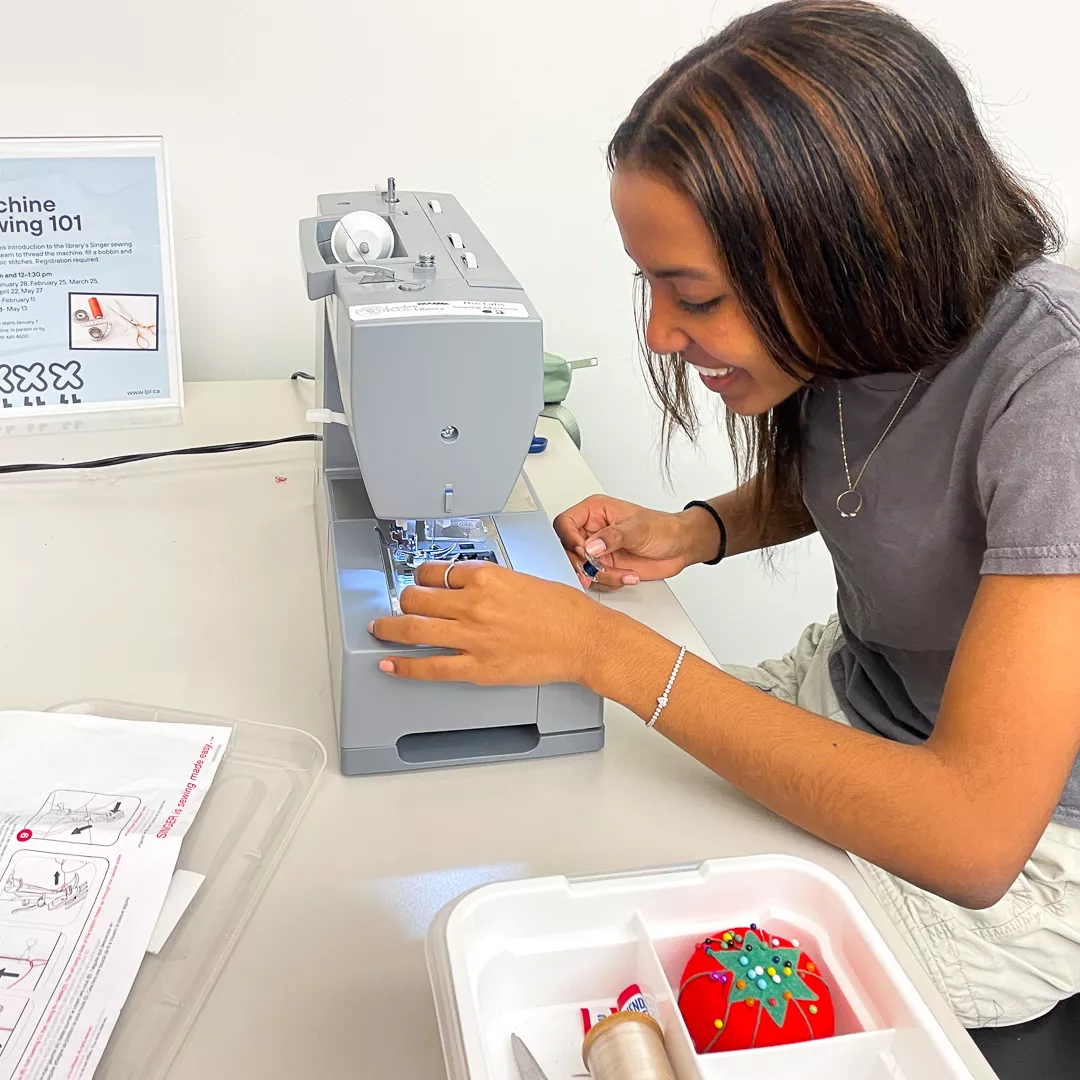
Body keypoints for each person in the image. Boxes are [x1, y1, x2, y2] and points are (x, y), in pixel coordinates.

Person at [369, 0, 1080, 1027]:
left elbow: (969, 838)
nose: (660, 335)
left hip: (1025, 857)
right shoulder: (884, 329)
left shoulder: (1054, 391)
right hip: (853, 695)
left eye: (695, 298)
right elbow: (875, 469)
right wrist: (698, 529)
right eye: (650, 289)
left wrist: (600, 649)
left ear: (857, 258)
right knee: (563, 804)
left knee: (620, 979)